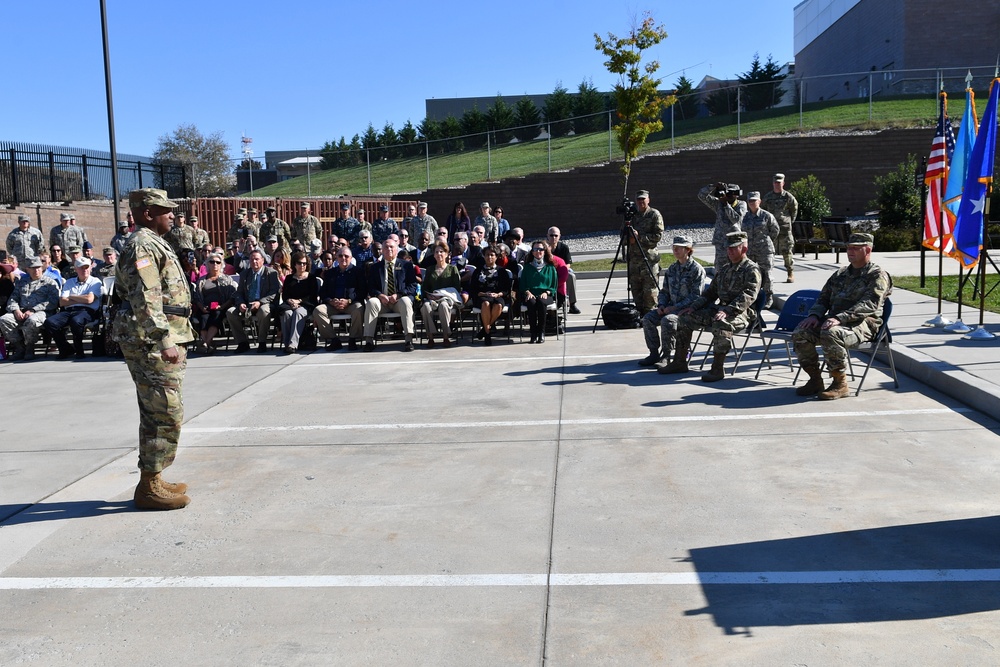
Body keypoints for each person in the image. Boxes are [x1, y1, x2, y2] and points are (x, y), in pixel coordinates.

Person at [111, 188, 194, 510]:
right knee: (165, 411)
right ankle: (149, 486)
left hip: (157, 336)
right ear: (147, 213)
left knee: (158, 410)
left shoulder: (152, 241)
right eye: (165, 209)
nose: (172, 214)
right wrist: (164, 339)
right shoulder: (142, 244)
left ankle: (154, 477)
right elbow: (145, 299)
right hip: (151, 340)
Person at [791, 233, 891, 400]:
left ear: (867, 250)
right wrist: (815, 315)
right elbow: (823, 298)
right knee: (801, 331)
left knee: (832, 333)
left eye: (855, 248)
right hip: (836, 321)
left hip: (863, 324)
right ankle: (815, 379)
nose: (850, 251)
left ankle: (840, 383)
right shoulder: (841, 274)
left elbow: (869, 304)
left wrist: (841, 318)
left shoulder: (877, 275)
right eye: (849, 248)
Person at [661, 231, 761, 382]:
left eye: (734, 248)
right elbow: (709, 294)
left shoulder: (751, 269)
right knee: (684, 318)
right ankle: (679, 362)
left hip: (740, 313)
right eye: (728, 248)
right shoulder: (725, 269)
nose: (729, 251)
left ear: (744, 249)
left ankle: (717, 368)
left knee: (721, 324)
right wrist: (693, 308)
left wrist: (728, 310)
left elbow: (749, 295)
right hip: (720, 309)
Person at [638, 236, 707, 371]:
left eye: (679, 247)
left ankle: (667, 356)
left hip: (688, 311)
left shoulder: (696, 270)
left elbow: (696, 296)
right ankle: (653, 353)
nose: (675, 250)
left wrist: (675, 307)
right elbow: (664, 291)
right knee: (648, 319)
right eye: (674, 247)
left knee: (668, 320)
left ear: (688, 250)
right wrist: (662, 305)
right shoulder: (672, 269)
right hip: (670, 308)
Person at [362, 237, 417, 351]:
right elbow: (370, 287)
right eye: (386, 247)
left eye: (391, 247)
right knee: (371, 302)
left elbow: (412, 286)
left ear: (397, 249)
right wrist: (379, 295)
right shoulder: (375, 267)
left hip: (399, 301)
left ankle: (408, 340)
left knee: (406, 301)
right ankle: (368, 341)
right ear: (382, 250)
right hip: (383, 302)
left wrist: (399, 295)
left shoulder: (406, 265)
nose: (389, 249)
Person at [0, 257, 59, 361]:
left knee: (31, 320)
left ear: (42, 268)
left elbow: (53, 302)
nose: (36, 270)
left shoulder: (50, 282)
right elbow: (13, 299)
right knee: (4, 319)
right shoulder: (22, 282)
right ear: (28, 269)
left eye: (38, 268)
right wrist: (15, 310)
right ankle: (19, 347)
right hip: (21, 311)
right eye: (33, 268)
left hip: (42, 312)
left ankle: (29, 347)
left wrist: (33, 310)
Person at [45, 256, 103, 359]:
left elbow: (89, 300)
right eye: (81, 267)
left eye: (86, 267)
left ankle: (79, 351)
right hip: (70, 310)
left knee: (76, 321)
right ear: (76, 269)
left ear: (90, 268)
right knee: (50, 322)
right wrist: (82, 298)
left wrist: (71, 297)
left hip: (87, 311)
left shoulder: (95, 281)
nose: (84, 270)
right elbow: (62, 302)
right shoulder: (69, 282)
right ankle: (65, 348)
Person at [226, 249, 281, 353]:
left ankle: (262, 342)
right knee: (230, 312)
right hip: (247, 303)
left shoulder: (271, 273)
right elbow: (239, 292)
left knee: (264, 312)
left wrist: (260, 302)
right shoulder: (244, 274)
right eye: (251, 260)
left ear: (262, 260)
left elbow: (274, 292)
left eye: (256, 259)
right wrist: (241, 303)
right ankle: (242, 343)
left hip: (265, 303)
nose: (254, 262)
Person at [314, 246, 364, 350]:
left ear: (351, 258)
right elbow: (323, 292)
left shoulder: (358, 272)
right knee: (318, 310)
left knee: (359, 308)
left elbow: (362, 291)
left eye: (346, 256)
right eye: (340, 256)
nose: (343, 258)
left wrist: (349, 300)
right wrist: (330, 301)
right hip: (333, 304)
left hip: (351, 304)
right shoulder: (330, 273)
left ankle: (353, 339)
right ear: (336, 257)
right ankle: (334, 339)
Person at [627, 190, 664, 315]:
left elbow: (658, 236)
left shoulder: (654, 214)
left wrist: (640, 237)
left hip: (649, 259)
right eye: (638, 199)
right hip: (634, 259)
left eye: (643, 199)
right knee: (636, 289)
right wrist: (629, 239)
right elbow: (623, 234)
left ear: (648, 200)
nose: (641, 202)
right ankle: (639, 313)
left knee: (650, 290)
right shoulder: (632, 215)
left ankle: (650, 315)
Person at [419, 242, 462, 348]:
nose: (439, 254)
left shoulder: (452, 269)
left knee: (443, 305)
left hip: (447, 299)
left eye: (441, 252)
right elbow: (425, 288)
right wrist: (428, 296)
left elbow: (456, 288)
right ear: (433, 255)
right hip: (432, 299)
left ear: (446, 254)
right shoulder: (429, 269)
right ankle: (431, 337)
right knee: (425, 306)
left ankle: (446, 336)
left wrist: (444, 295)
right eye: (436, 252)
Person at [192, 251, 236, 354]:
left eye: (218, 262)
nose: (215, 264)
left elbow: (232, 297)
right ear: (207, 264)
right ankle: (208, 344)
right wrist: (202, 307)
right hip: (205, 306)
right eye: (212, 262)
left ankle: (205, 343)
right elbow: (197, 297)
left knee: (217, 315)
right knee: (203, 316)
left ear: (221, 265)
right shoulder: (202, 280)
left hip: (221, 307)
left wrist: (222, 306)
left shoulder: (227, 279)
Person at [741, 191, 780, 306]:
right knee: (751, 274)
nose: (752, 203)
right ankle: (752, 298)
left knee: (767, 274)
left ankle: (768, 298)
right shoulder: (745, 217)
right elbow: (743, 233)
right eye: (750, 201)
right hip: (750, 251)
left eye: (754, 200)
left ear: (759, 201)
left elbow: (775, 230)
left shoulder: (766, 216)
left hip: (765, 250)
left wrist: (765, 241)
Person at [278, 251, 320, 354]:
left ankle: (293, 344)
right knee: (287, 314)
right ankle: (287, 344)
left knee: (298, 312)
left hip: (306, 304)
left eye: (304, 263)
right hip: (290, 304)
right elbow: (285, 295)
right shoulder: (289, 278)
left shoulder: (311, 278)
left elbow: (312, 296)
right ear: (295, 264)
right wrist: (290, 301)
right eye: (300, 263)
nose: (302, 265)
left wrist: (299, 301)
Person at [698, 182, 747, 270]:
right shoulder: (719, 203)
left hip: (735, 243)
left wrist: (726, 205)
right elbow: (701, 195)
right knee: (720, 269)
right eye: (726, 193)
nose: (728, 196)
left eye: (730, 193)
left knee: (736, 268)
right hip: (721, 242)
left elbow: (736, 219)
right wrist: (713, 186)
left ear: (736, 195)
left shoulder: (741, 204)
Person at [761, 173, 800, 283]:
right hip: (771, 229)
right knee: (768, 252)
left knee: (787, 251)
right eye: (775, 182)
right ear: (773, 183)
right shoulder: (768, 197)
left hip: (784, 228)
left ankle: (790, 272)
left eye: (779, 182)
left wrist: (789, 221)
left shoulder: (788, 197)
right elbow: (763, 211)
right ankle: (767, 274)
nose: (777, 184)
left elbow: (794, 210)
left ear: (783, 183)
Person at [471, 245, 512, 346]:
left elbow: (507, 289)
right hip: (482, 296)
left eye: (492, 255)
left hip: (498, 296)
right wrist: (482, 293)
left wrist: (498, 294)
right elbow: (473, 287)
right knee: (485, 303)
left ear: (496, 257)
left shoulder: (502, 271)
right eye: (487, 255)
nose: (489, 257)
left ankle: (484, 330)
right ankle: (488, 334)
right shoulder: (478, 271)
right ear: (484, 256)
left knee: (498, 305)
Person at [520, 240, 558, 344]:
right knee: (531, 303)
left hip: (546, 294)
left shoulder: (550, 267)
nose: (538, 252)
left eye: (541, 249)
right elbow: (523, 285)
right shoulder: (527, 267)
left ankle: (541, 332)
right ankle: (533, 333)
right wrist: (528, 292)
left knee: (541, 302)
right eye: (535, 249)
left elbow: (553, 286)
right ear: (532, 252)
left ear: (545, 251)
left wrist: (547, 292)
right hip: (531, 294)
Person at [547, 226, 581, 314]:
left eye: (556, 235)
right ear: (547, 236)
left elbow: (568, 263)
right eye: (551, 235)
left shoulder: (564, 247)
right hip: (548, 271)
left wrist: (563, 272)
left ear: (559, 236)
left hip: (562, 269)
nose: (553, 237)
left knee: (571, 276)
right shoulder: (544, 248)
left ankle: (572, 304)